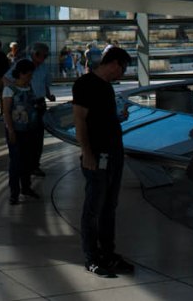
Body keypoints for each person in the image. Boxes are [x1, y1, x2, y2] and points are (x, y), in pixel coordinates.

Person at [73, 46, 133, 278]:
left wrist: (119, 117)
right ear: (115, 63)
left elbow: (103, 118)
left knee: (109, 207)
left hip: (113, 154)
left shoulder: (107, 87)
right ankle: (91, 257)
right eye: (124, 68)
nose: (123, 74)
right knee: (93, 208)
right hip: (97, 156)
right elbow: (80, 120)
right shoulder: (85, 84)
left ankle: (108, 253)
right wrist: (87, 153)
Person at [2, 59, 42, 205]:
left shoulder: (29, 87)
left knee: (27, 160)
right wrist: (11, 130)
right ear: (21, 73)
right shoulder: (9, 90)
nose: (30, 78)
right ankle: (14, 192)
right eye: (28, 75)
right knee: (16, 161)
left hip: (29, 130)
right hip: (16, 131)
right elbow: (6, 111)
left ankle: (26, 187)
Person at [29, 43, 56, 178]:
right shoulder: (23, 65)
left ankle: (35, 165)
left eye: (46, 56)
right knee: (27, 135)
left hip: (40, 103)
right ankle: (26, 164)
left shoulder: (44, 67)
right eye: (43, 56)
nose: (45, 58)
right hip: (27, 104)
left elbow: (45, 84)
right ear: (36, 54)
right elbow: (8, 79)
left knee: (38, 136)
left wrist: (48, 95)